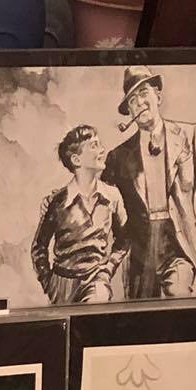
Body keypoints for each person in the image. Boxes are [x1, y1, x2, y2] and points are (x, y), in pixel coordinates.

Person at [101, 66, 196, 300]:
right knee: (138, 315)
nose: (139, 102)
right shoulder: (118, 156)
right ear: (129, 111)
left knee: (179, 302)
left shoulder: (189, 135)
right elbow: (101, 199)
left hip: (179, 244)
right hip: (139, 251)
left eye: (144, 93)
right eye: (132, 100)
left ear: (158, 96)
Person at [30, 125, 126, 304]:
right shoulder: (57, 202)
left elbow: (124, 239)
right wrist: (48, 283)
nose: (102, 150)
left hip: (96, 279)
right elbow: (39, 248)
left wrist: (108, 268)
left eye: (100, 144)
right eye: (94, 146)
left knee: (96, 308)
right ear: (76, 159)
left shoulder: (112, 196)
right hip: (62, 284)